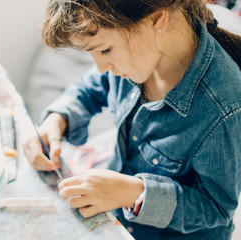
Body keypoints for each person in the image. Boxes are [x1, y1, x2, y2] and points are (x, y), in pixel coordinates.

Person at [22, 0, 241, 239]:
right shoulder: (137, 57)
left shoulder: (225, 109)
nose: (102, 66)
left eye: (105, 50)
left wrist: (134, 192)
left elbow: (215, 209)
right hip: (115, 218)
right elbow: (93, 85)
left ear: (158, 20)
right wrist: (58, 119)